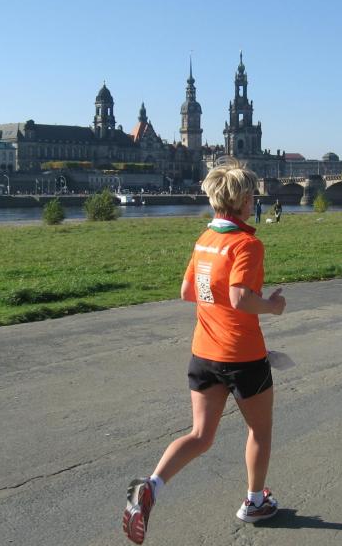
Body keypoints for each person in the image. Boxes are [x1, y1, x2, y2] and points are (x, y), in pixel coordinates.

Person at [122, 157, 287, 545]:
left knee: (200, 434)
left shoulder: (205, 240)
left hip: (205, 353)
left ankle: (151, 486)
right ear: (242, 200)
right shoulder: (246, 243)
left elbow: (187, 292)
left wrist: (218, 304)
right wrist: (272, 306)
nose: (254, 200)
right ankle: (255, 502)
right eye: (252, 195)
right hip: (243, 355)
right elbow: (241, 297)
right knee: (259, 431)